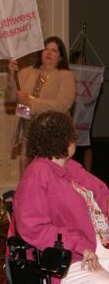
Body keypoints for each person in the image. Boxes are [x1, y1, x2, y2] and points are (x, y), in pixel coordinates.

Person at [13, 111, 109, 283]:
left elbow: (103, 195)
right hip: (69, 260)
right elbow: (33, 227)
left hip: (98, 247)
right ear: (65, 140)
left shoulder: (71, 167)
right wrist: (79, 246)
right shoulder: (37, 175)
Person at [6, 36, 76, 166]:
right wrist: (11, 74)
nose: (48, 53)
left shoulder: (66, 76)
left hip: (53, 135)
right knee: (29, 175)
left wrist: (30, 102)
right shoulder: (28, 72)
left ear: (60, 57)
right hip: (29, 133)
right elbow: (11, 98)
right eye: (45, 49)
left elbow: (62, 105)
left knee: (49, 176)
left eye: (54, 51)